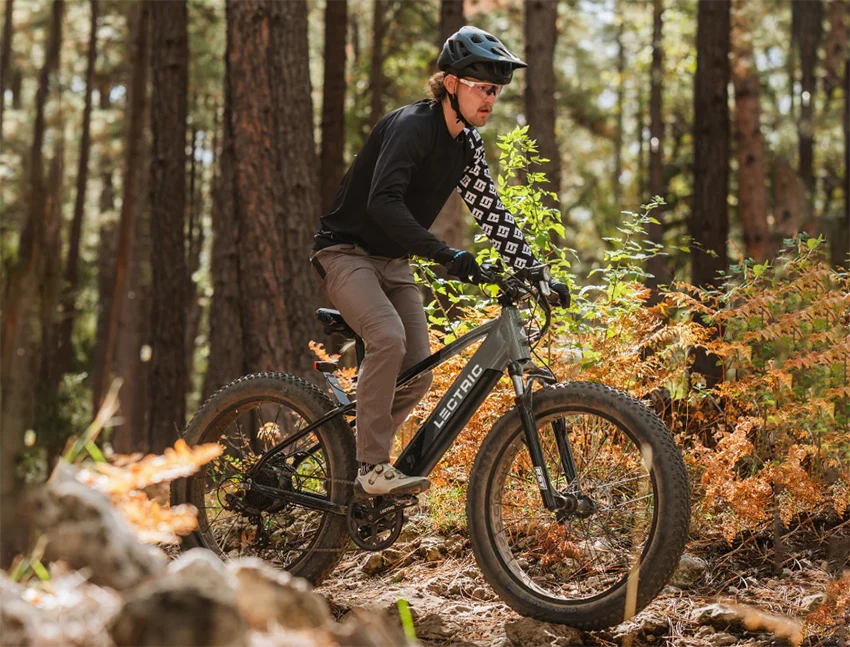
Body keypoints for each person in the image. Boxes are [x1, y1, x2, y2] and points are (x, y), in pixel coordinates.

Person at [310, 26, 570, 497]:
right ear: (451, 84)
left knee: (417, 370)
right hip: (345, 253)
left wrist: (536, 273)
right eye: (483, 88)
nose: (491, 99)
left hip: (393, 263)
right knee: (387, 337)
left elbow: (491, 211)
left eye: (497, 90)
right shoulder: (412, 127)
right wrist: (448, 255)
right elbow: (382, 204)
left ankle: (346, 456)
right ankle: (370, 466)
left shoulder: (468, 145)